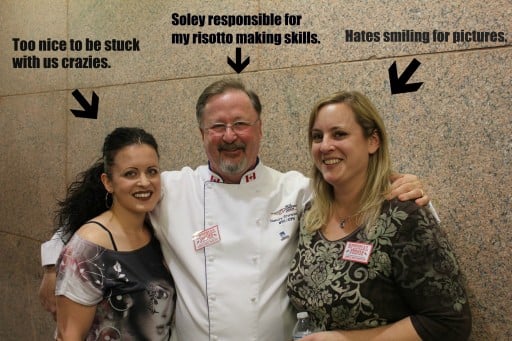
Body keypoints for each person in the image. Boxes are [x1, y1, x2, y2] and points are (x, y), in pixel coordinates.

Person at [40, 79, 429, 340]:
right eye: (217, 126)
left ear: (260, 130)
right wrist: (52, 263)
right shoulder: (170, 188)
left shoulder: (295, 190)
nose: (229, 136)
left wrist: (403, 188)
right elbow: (96, 216)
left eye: (241, 124)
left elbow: (361, 193)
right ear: (202, 135)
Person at [286, 91, 471, 340]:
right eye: (317, 136)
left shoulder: (403, 215)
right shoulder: (311, 216)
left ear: (373, 141)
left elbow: (450, 322)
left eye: (339, 134)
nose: (325, 145)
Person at [54, 127, 175, 340]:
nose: (145, 182)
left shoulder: (156, 230)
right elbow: (68, 335)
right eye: (131, 173)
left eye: (152, 171)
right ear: (108, 182)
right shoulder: (90, 248)